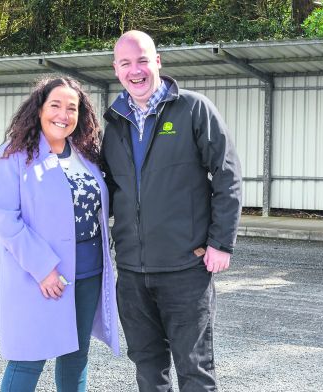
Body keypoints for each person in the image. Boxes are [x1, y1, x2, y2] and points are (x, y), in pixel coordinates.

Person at [102, 30, 242, 391]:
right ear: (116, 69)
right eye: (126, 63)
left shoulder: (193, 109)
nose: (136, 71)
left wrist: (221, 243)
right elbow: (108, 191)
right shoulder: (114, 123)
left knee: (194, 369)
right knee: (148, 368)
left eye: (143, 60)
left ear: (158, 62)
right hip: (132, 274)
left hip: (185, 270)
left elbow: (227, 176)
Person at [0, 76, 119, 392]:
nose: (63, 114)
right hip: (42, 274)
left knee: (76, 355)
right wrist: (43, 268)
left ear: (80, 114)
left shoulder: (85, 154)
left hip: (89, 270)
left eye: (71, 108)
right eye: (55, 105)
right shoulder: (14, 154)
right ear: (39, 109)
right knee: (28, 358)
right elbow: (4, 217)